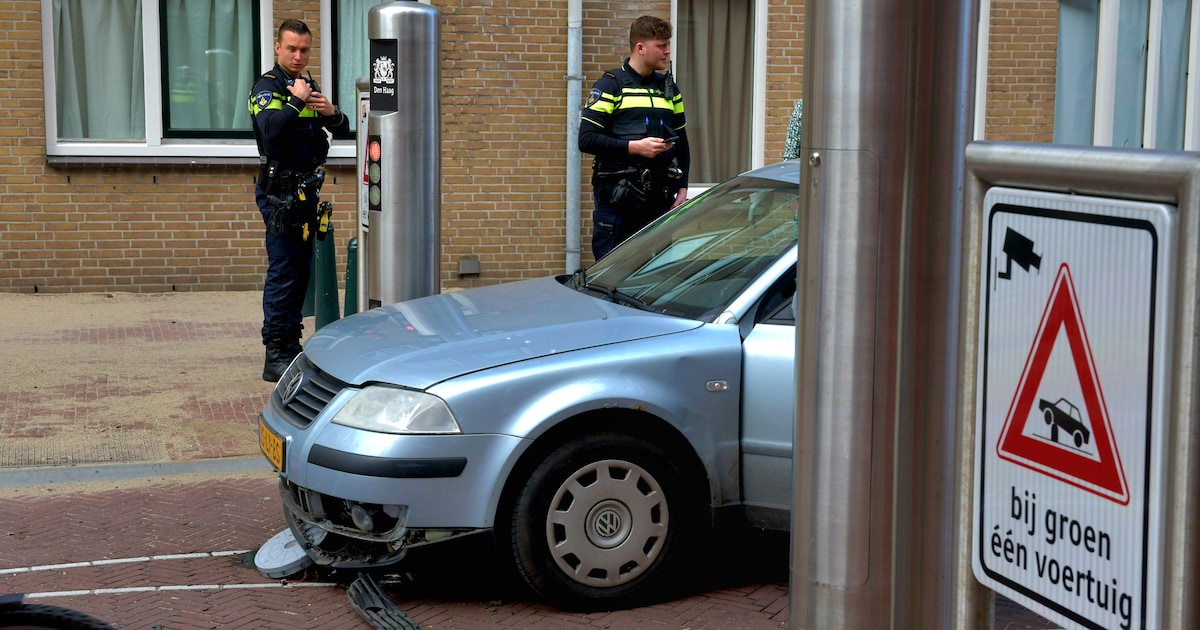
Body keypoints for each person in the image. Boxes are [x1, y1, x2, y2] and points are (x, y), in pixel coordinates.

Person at [248, 19, 349, 382]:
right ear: (278, 48)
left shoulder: (307, 85)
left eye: (304, 49)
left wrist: (332, 113)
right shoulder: (268, 88)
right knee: (283, 273)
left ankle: (291, 346)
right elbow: (272, 132)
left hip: (306, 192)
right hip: (280, 194)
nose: (298, 55)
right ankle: (274, 353)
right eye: (291, 48)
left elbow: (342, 128)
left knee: (300, 272)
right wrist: (297, 100)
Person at [580, 15, 690, 260]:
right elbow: (586, 140)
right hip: (618, 204)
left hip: (659, 204)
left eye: (668, 44)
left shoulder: (669, 89)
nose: (668, 51)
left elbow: (682, 141)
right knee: (611, 279)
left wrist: (683, 188)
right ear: (640, 48)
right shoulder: (611, 86)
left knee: (655, 281)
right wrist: (635, 148)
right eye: (661, 45)